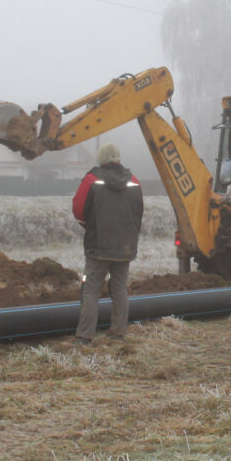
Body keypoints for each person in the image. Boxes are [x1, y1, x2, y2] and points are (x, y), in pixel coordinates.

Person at [71, 143, 144, 344]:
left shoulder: (91, 179)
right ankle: (118, 333)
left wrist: (90, 226)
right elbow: (139, 213)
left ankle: (85, 336)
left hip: (98, 246)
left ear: (100, 159)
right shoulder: (134, 180)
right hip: (125, 246)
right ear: (118, 158)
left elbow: (78, 209)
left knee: (91, 289)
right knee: (120, 288)